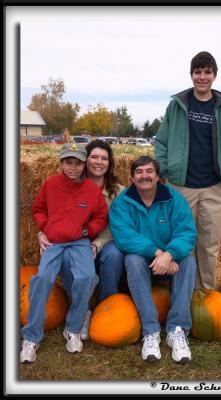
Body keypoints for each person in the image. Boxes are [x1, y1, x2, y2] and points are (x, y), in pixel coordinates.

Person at [155, 51, 221, 289]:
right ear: (191, 75)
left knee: (208, 245)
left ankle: (205, 295)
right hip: (180, 186)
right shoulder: (176, 106)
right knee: (182, 242)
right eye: (198, 72)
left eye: (207, 72)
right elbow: (162, 141)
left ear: (214, 75)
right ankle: (181, 294)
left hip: (215, 188)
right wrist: (164, 170)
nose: (202, 77)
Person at [20, 143, 108, 363]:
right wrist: (44, 229)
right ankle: (31, 337)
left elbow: (100, 216)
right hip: (55, 243)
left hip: (79, 243)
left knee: (87, 278)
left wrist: (87, 231)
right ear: (61, 163)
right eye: (69, 162)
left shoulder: (91, 189)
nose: (73, 168)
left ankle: (73, 329)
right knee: (42, 280)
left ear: (83, 165)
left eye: (78, 163)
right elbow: (38, 209)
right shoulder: (51, 184)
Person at [109, 156, 197, 363]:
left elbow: (187, 233)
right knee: (132, 259)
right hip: (144, 259)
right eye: (139, 172)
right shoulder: (122, 202)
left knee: (189, 261)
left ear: (158, 176)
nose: (144, 176)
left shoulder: (174, 199)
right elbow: (124, 236)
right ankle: (150, 331)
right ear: (132, 177)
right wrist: (159, 254)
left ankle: (177, 330)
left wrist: (169, 254)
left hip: (170, 258)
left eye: (149, 171)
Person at [38, 139, 125, 340]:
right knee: (67, 256)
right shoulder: (68, 185)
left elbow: (116, 225)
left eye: (104, 158)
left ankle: (106, 307)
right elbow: (50, 212)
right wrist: (42, 232)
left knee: (114, 254)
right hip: (73, 241)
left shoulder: (119, 191)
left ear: (110, 163)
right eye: (94, 157)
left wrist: (97, 244)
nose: (98, 162)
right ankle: (82, 309)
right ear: (85, 160)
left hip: (104, 240)